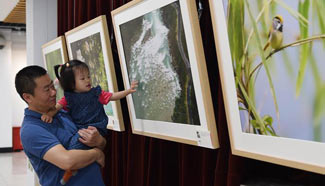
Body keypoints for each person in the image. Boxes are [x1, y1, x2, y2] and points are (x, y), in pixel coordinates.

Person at [41, 59, 138, 184]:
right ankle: (76, 168)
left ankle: (69, 173)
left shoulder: (96, 93)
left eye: (88, 76)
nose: (88, 80)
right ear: (71, 83)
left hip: (96, 127)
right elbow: (56, 108)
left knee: (73, 149)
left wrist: (128, 91)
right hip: (81, 129)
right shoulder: (68, 98)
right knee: (73, 148)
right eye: (82, 78)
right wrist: (49, 114)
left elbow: (113, 96)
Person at [15, 65, 107, 186]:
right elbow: (67, 161)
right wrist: (97, 154)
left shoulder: (61, 112)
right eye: (47, 89)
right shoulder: (31, 130)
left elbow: (100, 144)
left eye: (52, 85)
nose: (54, 92)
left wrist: (99, 141)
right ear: (28, 97)